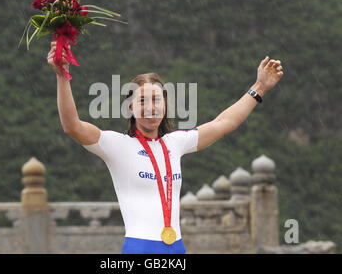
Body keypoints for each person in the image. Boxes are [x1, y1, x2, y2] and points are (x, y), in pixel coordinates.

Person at [47, 41, 284, 254]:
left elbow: (223, 123)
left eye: (156, 100)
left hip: (176, 248)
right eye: (141, 101)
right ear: (130, 108)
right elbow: (72, 126)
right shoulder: (117, 145)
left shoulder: (175, 143)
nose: (150, 107)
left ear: (165, 105)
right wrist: (62, 76)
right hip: (139, 249)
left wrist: (259, 88)